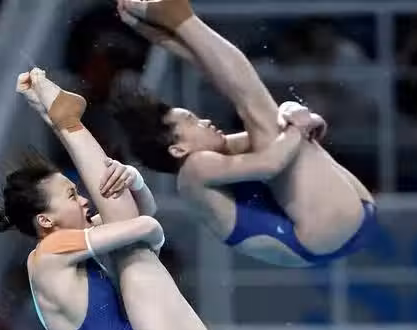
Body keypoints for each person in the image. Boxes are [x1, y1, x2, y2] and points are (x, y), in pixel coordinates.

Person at [0, 68, 219, 330]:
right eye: (72, 195)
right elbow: (145, 225)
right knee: (132, 249)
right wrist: (151, 232)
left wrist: (134, 180)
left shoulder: (66, 248)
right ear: (45, 220)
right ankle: (66, 121)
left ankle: (62, 118)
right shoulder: (48, 253)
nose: (83, 199)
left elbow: (144, 214)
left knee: (129, 236)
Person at [112, 0, 376, 268]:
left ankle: (179, 22)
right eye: (192, 121)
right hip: (321, 233)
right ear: (178, 148)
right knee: (259, 110)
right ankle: (183, 20)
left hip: (342, 221)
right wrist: (297, 122)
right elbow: (271, 161)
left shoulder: (212, 159)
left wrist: (165, 40)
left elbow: (235, 88)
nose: (204, 121)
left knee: (264, 116)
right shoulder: (195, 169)